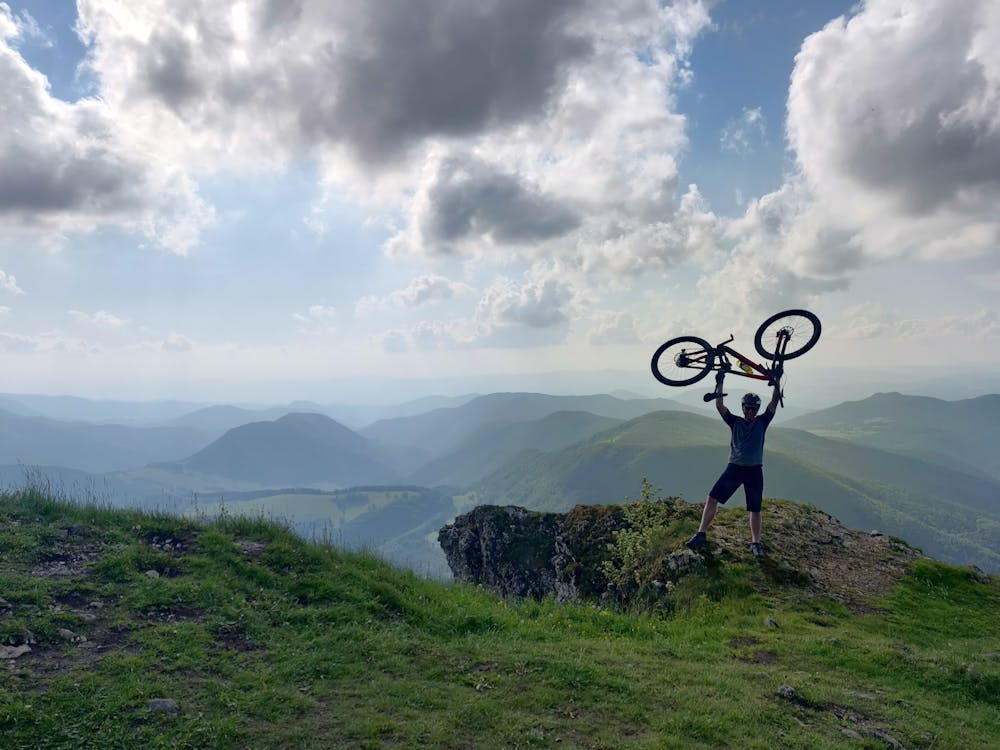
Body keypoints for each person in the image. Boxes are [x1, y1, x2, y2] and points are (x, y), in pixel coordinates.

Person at [686, 366, 781, 558]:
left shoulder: (763, 422)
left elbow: (774, 402)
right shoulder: (735, 421)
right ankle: (701, 533)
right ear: (743, 407)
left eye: (754, 408)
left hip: (754, 470)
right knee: (712, 498)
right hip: (735, 468)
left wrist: (777, 381)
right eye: (748, 407)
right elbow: (720, 406)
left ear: (757, 409)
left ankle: (755, 543)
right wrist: (720, 382)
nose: (750, 411)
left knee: (755, 508)